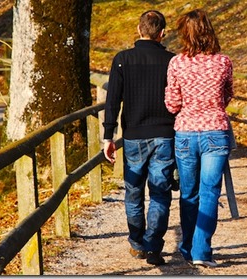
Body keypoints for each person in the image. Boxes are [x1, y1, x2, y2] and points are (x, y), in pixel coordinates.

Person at [102, 10, 176, 266]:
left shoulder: (122, 59)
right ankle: (154, 247)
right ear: (162, 33)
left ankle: (136, 243)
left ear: (138, 29)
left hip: (133, 136)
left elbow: (112, 101)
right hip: (165, 135)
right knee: (160, 193)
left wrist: (108, 135)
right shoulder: (172, 60)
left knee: (134, 192)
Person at [164, 8, 234, 268]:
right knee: (209, 193)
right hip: (215, 131)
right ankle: (201, 250)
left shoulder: (177, 63)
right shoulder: (223, 61)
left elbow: (172, 104)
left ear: (185, 33)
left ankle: (186, 246)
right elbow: (227, 96)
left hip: (185, 133)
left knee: (189, 193)